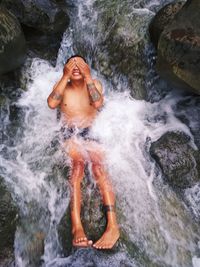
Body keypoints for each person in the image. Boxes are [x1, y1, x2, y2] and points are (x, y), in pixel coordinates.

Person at [47, 55, 119, 249]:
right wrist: (64, 76)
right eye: (72, 64)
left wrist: (87, 77)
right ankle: (76, 227)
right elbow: (52, 104)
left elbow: (97, 104)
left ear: (87, 68)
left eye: (80, 64)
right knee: (77, 170)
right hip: (70, 133)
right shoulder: (62, 85)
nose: (76, 67)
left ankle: (113, 226)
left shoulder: (94, 83)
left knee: (99, 169)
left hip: (91, 132)